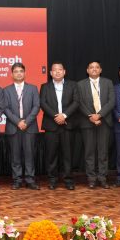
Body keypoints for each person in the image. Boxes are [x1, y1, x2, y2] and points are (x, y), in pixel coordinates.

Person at [39, 62, 79, 190]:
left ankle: (68, 180)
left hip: (67, 124)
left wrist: (64, 115)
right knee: (51, 155)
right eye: (54, 70)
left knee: (68, 154)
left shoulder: (73, 85)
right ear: (50, 73)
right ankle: (52, 180)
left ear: (64, 72)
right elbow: (43, 103)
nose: (57, 72)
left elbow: (76, 102)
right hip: (51, 125)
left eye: (60, 70)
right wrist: (56, 116)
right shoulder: (45, 86)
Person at [77, 61, 115, 189]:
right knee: (89, 152)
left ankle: (103, 177)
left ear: (100, 70)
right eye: (91, 67)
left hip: (104, 121)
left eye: (96, 67)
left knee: (103, 151)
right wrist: (91, 117)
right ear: (87, 70)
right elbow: (79, 103)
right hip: (87, 122)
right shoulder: (80, 84)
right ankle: (91, 178)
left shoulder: (108, 82)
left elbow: (111, 101)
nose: (94, 69)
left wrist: (99, 115)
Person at [3, 62, 40, 190]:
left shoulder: (33, 88)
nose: (19, 73)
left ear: (24, 73)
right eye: (16, 71)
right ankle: (17, 180)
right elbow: (5, 108)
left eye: (21, 71)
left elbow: (36, 107)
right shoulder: (6, 90)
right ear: (12, 74)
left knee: (30, 155)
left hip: (29, 127)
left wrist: (26, 121)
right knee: (15, 155)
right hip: (14, 127)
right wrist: (18, 122)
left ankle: (30, 179)